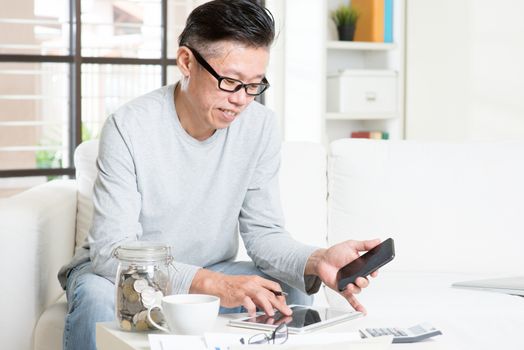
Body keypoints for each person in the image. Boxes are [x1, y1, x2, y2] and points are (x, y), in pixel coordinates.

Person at [58, 1, 380, 349]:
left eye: (254, 84)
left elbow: (264, 234)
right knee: (95, 296)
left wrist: (317, 260)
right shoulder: (129, 126)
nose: (242, 100)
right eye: (230, 81)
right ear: (186, 62)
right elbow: (112, 252)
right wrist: (212, 284)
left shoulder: (260, 126)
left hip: (212, 266)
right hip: (125, 274)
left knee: (290, 293)